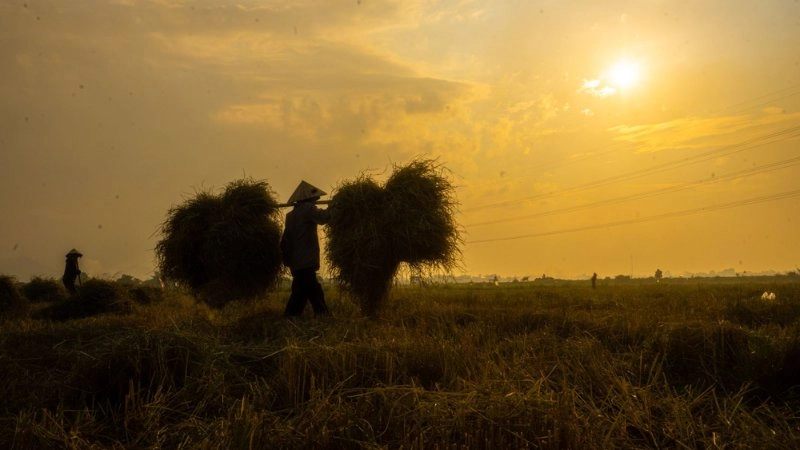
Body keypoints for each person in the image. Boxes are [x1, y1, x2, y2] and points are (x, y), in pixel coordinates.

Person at [281, 181, 331, 317]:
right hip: (306, 258)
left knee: (301, 289)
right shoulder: (308, 209)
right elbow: (324, 217)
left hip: (295, 260)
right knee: (313, 288)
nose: (316, 201)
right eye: (315, 199)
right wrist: (335, 206)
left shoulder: (290, 216)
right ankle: (322, 314)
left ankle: (291, 315)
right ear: (309, 198)